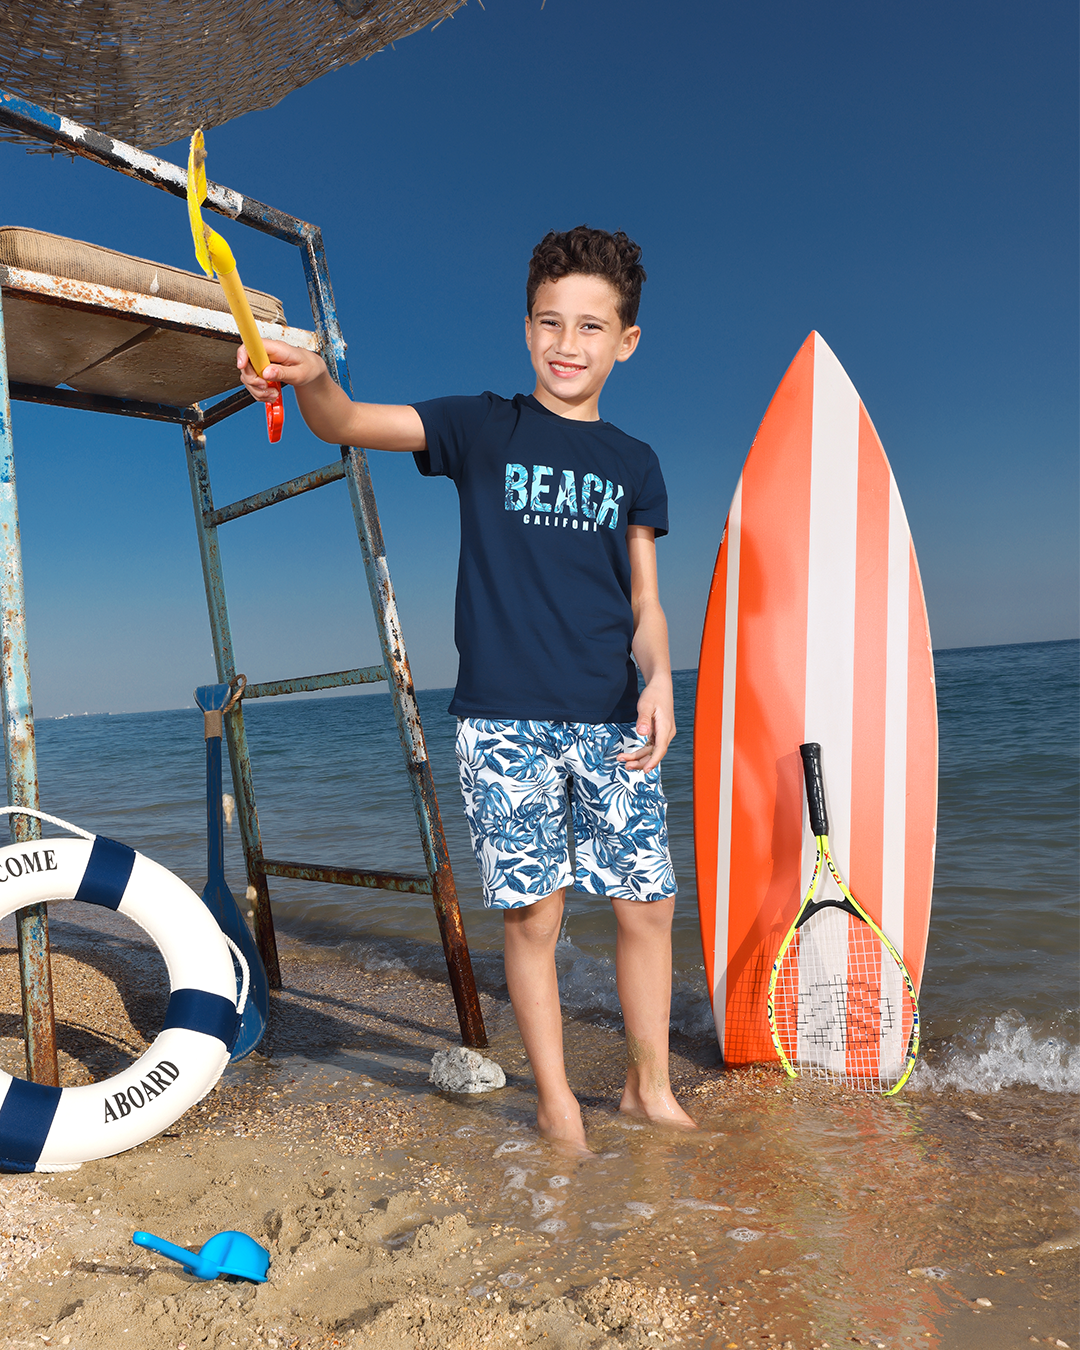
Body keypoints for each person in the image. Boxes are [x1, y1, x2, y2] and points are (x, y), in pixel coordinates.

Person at [238, 225, 695, 1154]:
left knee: (647, 905)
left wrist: (660, 678)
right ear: (526, 328)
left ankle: (649, 1088)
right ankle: (557, 1106)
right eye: (549, 322)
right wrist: (310, 374)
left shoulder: (636, 462)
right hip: (504, 723)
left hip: (613, 717)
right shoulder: (483, 426)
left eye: (591, 327)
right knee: (535, 915)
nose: (567, 344)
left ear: (627, 341)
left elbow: (645, 603)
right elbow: (347, 421)